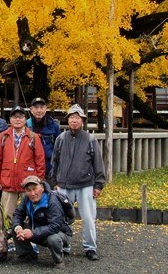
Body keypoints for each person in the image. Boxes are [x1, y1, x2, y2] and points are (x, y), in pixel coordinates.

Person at [50, 104, 105, 261]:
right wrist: (54, 181)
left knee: (88, 218)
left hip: (85, 184)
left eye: (77, 118)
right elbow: (55, 161)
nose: (74, 120)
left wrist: (99, 184)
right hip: (63, 184)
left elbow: (98, 163)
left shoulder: (90, 139)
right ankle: (63, 245)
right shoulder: (61, 138)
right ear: (68, 120)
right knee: (61, 218)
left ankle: (90, 247)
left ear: (82, 121)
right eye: (72, 117)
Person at [0, 105, 46, 219]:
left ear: (25, 119)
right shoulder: (3, 136)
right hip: (8, 180)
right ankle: (9, 230)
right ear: (10, 119)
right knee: (7, 214)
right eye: (14, 117)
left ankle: (30, 230)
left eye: (21, 117)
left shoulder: (33, 137)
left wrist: (39, 180)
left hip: (28, 181)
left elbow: (40, 160)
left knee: (31, 212)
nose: (18, 119)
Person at [12, 175, 72, 268]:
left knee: (53, 239)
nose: (32, 193)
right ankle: (27, 254)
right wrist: (18, 228)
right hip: (37, 229)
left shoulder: (52, 201)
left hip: (60, 232)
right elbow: (17, 214)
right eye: (28, 190)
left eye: (34, 189)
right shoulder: (26, 199)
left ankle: (59, 260)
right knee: (15, 229)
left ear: (42, 188)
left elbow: (55, 225)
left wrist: (33, 233)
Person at [26, 97, 61, 178]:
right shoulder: (25, 126)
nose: (39, 110)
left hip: (49, 168)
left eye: (41, 107)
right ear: (31, 110)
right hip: (30, 167)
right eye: (36, 107)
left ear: (46, 109)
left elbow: (59, 149)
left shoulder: (54, 126)